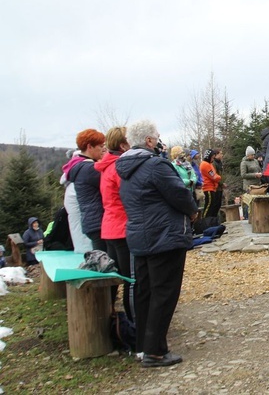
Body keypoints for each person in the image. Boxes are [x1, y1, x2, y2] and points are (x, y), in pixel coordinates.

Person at [115, 119, 198, 368]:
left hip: (140, 236)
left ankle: (142, 346)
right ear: (149, 141)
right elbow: (179, 193)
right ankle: (156, 352)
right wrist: (193, 211)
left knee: (145, 291)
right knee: (164, 293)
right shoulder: (154, 165)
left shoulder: (126, 167)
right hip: (164, 236)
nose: (160, 140)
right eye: (157, 136)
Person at [95, 126, 134, 321]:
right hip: (122, 228)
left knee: (114, 279)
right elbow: (129, 197)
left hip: (109, 227)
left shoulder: (106, 166)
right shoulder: (119, 167)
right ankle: (134, 324)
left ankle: (108, 319)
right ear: (122, 144)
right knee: (130, 279)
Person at [63, 129, 107, 252]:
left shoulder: (78, 166)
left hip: (91, 223)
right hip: (98, 223)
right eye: (100, 146)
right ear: (89, 147)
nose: (103, 149)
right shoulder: (89, 169)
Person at [240, 146, 263, 219]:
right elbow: (243, 175)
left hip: (257, 184)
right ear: (248, 155)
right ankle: (248, 217)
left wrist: (260, 173)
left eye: (254, 154)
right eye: (252, 155)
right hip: (249, 185)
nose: (253, 156)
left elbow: (259, 169)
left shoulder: (255, 161)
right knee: (249, 202)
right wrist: (255, 175)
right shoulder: (244, 163)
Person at [200, 149, 222, 219]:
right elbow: (214, 177)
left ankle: (211, 221)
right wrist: (218, 177)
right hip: (208, 188)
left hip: (212, 188)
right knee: (208, 207)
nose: (213, 159)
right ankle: (205, 221)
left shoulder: (209, 164)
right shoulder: (205, 165)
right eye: (212, 157)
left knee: (213, 207)